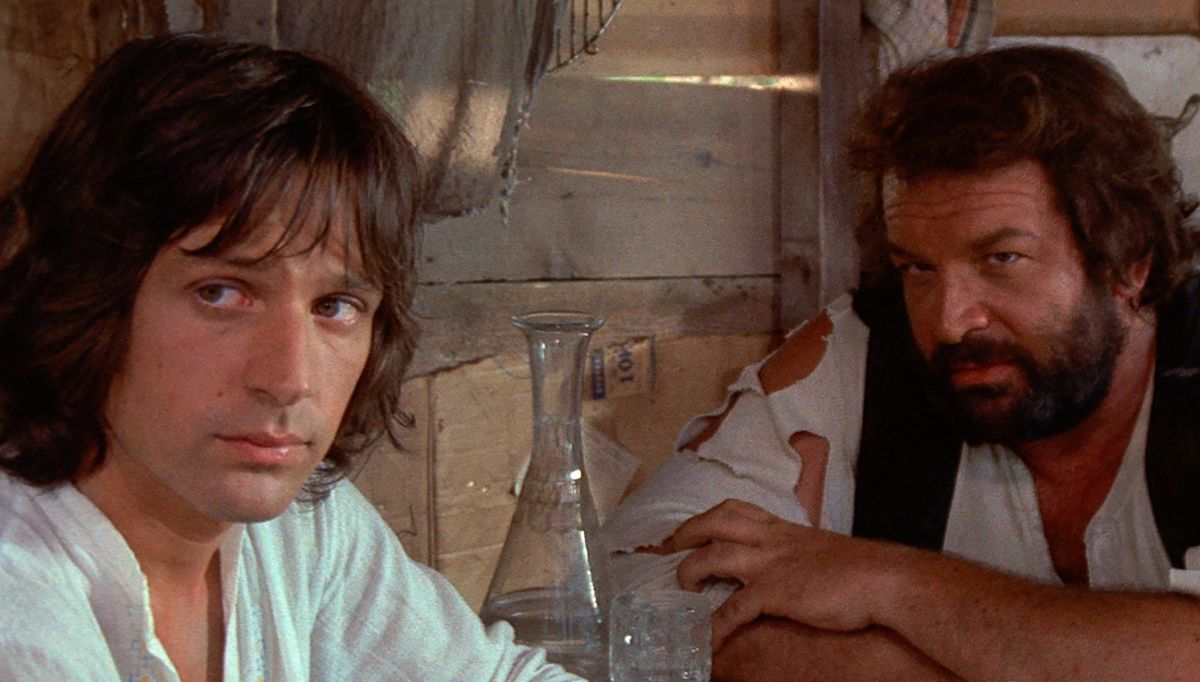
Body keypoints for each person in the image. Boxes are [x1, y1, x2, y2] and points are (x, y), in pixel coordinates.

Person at [603, 44, 1200, 680]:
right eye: (918, 269)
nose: (950, 322)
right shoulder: (862, 355)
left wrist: (890, 583)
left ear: (1128, 261)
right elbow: (639, 582)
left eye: (1001, 259)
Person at [0, 34, 578, 681]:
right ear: (86, 295)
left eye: (335, 306)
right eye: (222, 293)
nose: (290, 379)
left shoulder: (299, 527)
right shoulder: (18, 602)